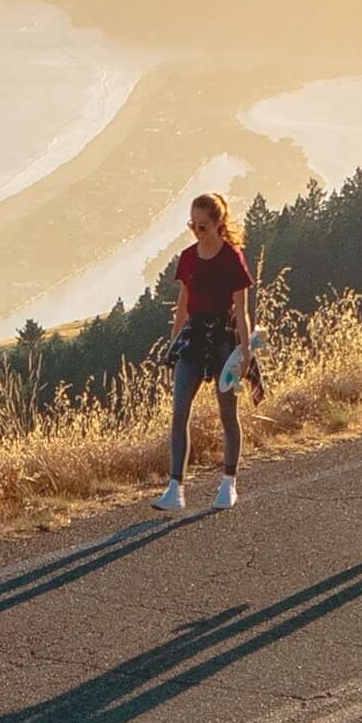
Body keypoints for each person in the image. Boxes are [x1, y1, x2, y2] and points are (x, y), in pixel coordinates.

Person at [153, 191, 254, 513]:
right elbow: (182, 304)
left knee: (227, 413)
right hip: (193, 339)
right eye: (192, 225)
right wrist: (174, 341)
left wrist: (246, 350)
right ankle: (175, 488)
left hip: (224, 339)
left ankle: (228, 483)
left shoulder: (232, 258)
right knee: (180, 410)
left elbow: (242, 309)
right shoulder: (187, 257)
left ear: (218, 223)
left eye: (203, 226)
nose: (197, 232)